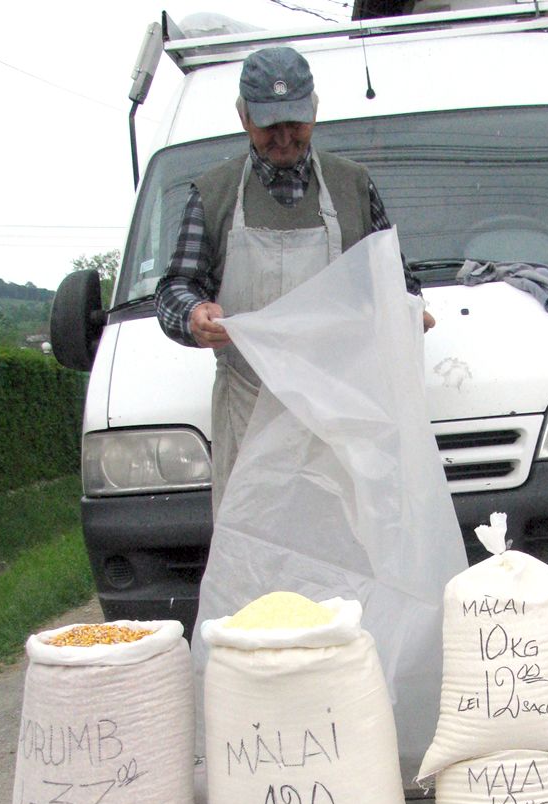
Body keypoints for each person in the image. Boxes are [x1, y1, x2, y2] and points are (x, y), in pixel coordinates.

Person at [156, 44, 433, 514]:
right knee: (254, 547)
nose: (284, 138)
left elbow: (396, 279)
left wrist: (407, 310)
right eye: (270, 125)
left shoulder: (353, 186)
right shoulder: (213, 194)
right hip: (249, 419)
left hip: (341, 420)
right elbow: (174, 289)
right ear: (244, 117)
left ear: (315, 112)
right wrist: (193, 314)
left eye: (295, 123)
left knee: (344, 543)